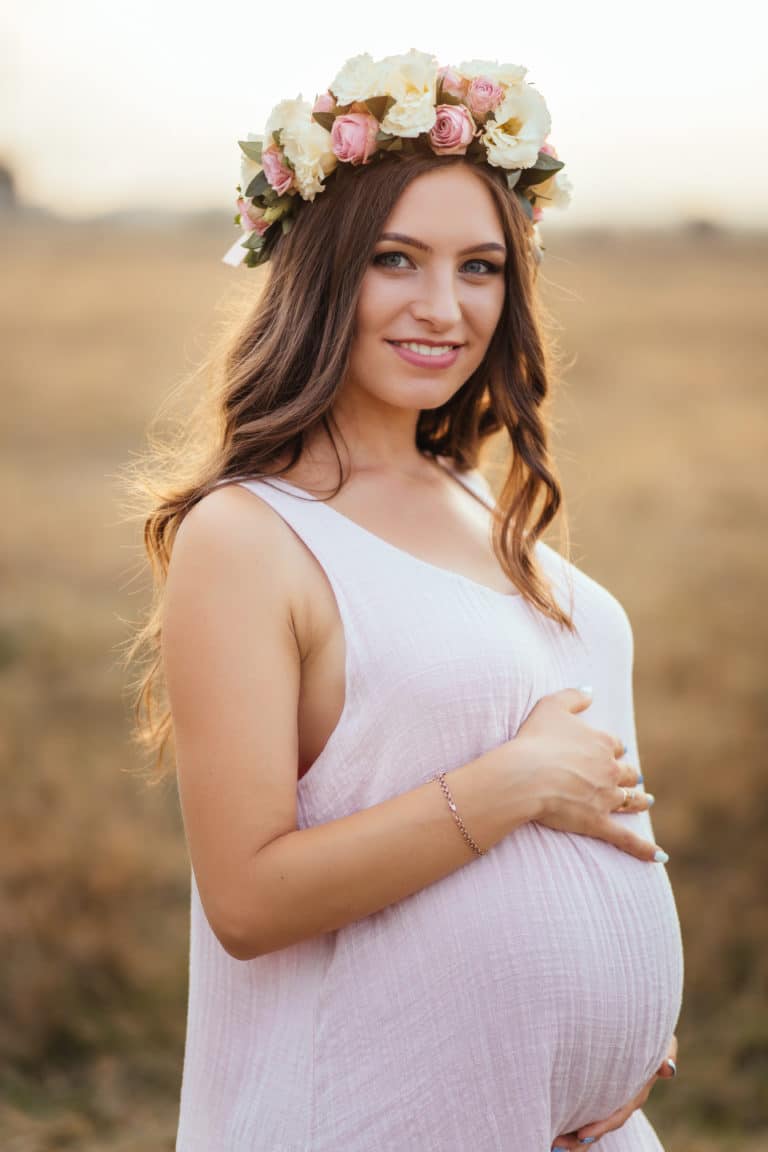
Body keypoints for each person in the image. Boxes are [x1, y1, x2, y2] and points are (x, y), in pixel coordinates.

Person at [130, 50, 683, 1151]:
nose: (445, 306)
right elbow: (247, 900)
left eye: (481, 267)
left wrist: (614, 1018)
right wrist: (510, 784)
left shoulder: (469, 492)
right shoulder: (250, 535)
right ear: (322, 272)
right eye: (398, 259)